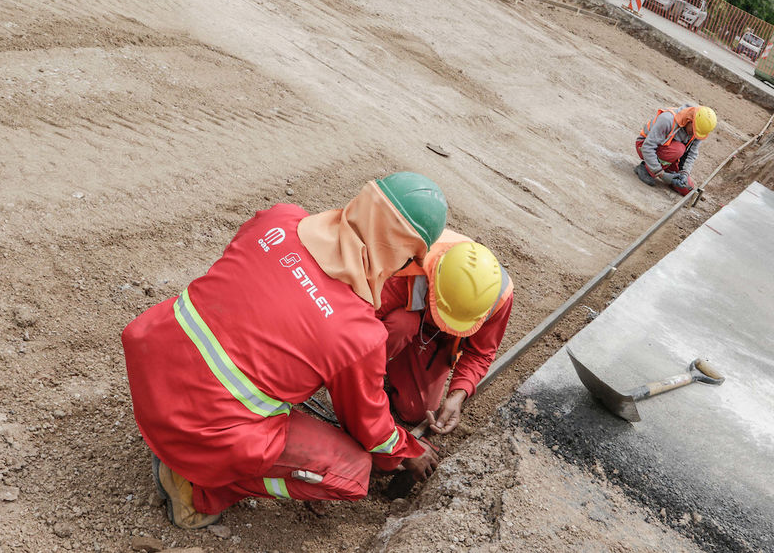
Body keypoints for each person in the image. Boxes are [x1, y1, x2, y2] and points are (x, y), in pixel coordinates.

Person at [121, 172, 448, 529]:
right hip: (198, 428)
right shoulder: (357, 334)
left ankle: (182, 446)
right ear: (403, 256)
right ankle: (196, 490)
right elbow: (369, 426)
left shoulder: (280, 218)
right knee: (352, 475)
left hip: (150, 369)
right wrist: (407, 450)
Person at [377, 230, 513, 436]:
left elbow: (480, 353)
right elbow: (366, 314)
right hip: (404, 318)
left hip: (436, 339)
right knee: (401, 324)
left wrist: (458, 394)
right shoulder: (413, 261)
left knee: (415, 411)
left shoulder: (497, 297)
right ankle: (371, 366)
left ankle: (398, 366)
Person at [634, 105, 717, 196]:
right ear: (690, 120)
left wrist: (684, 173)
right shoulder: (668, 119)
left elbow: (691, 154)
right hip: (644, 146)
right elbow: (648, 147)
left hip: (670, 156)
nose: (694, 135)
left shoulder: (698, 129)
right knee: (678, 149)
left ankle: (666, 170)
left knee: (687, 188)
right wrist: (661, 174)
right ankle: (646, 169)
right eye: (693, 131)